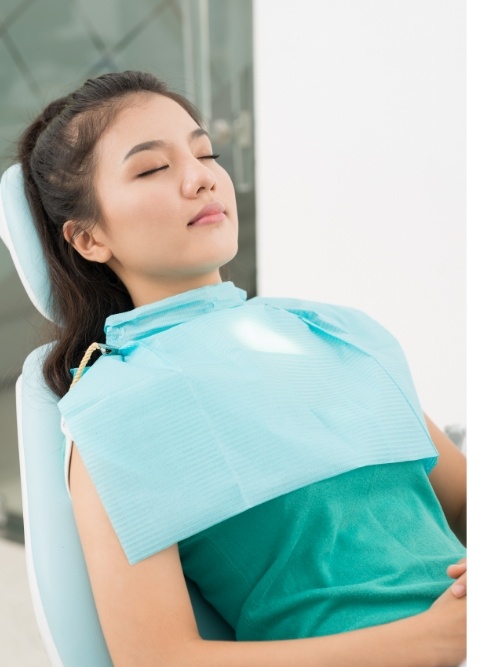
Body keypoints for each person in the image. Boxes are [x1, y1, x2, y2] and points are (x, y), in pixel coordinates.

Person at [17, 70, 466, 666]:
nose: (201, 177)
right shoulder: (117, 407)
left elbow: (463, 501)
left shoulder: (328, 331)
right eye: (153, 168)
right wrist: (438, 639)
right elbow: (157, 659)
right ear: (89, 237)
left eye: (206, 154)